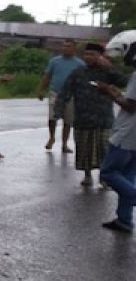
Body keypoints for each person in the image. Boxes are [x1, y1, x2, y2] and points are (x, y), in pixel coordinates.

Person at [55, 42, 127, 187]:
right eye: (86, 54)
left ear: (100, 56)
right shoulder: (77, 72)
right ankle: (87, 175)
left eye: (92, 54)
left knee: (104, 150)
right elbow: (65, 92)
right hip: (83, 119)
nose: (88, 57)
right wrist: (58, 110)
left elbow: (125, 82)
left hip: (103, 119)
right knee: (84, 149)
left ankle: (104, 176)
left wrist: (109, 67)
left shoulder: (108, 72)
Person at [99, 43, 136, 232]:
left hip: (128, 132)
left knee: (108, 173)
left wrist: (109, 93)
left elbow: (130, 106)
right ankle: (124, 219)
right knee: (128, 175)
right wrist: (116, 93)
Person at [36, 40, 85, 154]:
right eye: (64, 46)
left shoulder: (80, 64)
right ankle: (51, 137)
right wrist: (40, 89)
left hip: (71, 94)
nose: (65, 48)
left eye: (68, 46)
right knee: (52, 117)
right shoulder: (55, 61)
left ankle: (64, 144)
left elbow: (83, 80)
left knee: (68, 121)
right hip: (55, 92)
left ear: (74, 49)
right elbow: (47, 76)